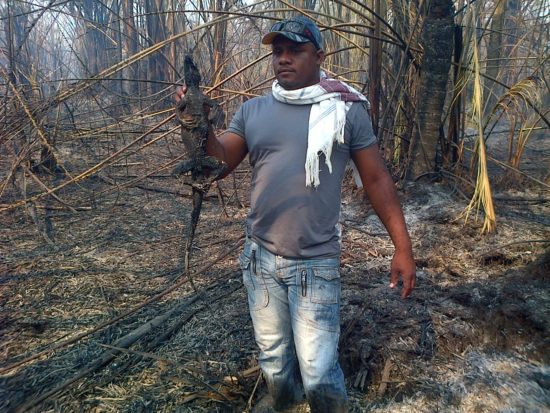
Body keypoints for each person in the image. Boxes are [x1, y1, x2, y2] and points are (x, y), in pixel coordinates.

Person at [175, 15, 416, 413]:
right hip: (260, 259)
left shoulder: (345, 111)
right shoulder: (253, 111)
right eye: (278, 52)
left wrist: (402, 247)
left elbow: (376, 180)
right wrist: (194, 120)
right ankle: (284, 404)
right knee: (273, 358)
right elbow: (219, 162)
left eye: (295, 51)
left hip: (315, 264)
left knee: (318, 371)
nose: (283, 59)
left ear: (319, 56)